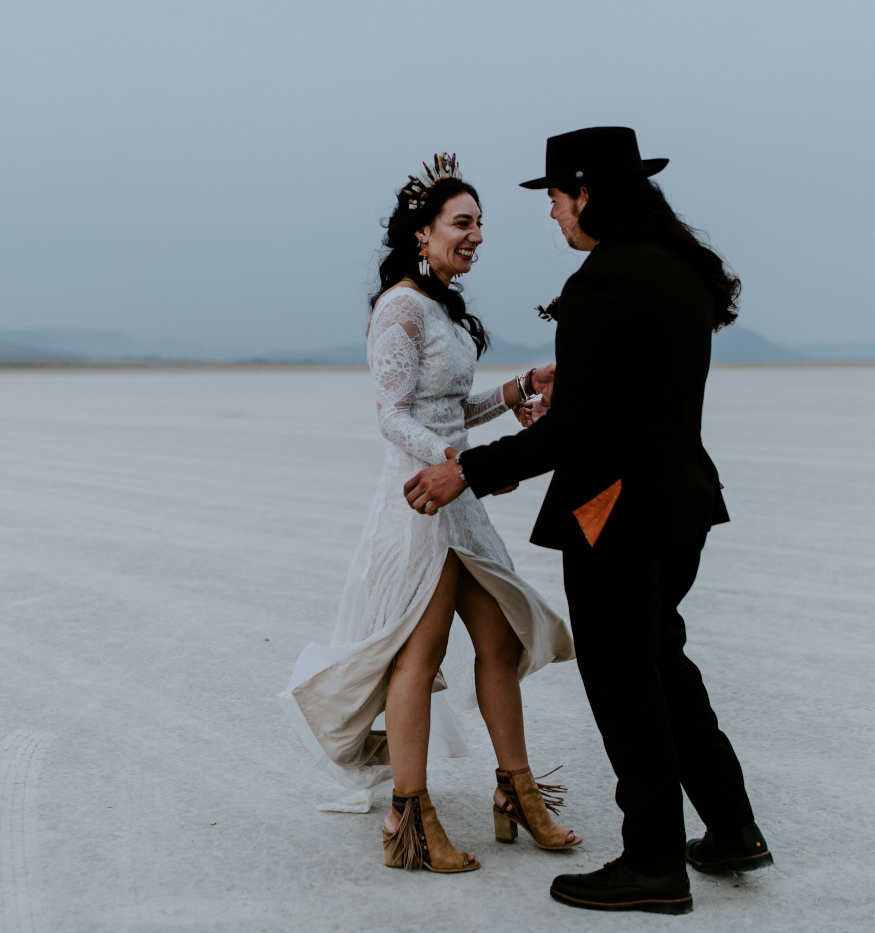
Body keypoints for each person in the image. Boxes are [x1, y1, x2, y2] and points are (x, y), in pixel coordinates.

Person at [404, 128, 772, 912]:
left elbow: (579, 430)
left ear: (589, 192)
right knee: (664, 665)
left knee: (626, 681)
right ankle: (733, 827)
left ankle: (653, 863)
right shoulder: (678, 270)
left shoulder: (606, 282)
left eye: (557, 198)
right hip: (682, 503)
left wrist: (467, 470)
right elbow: (625, 402)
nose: (552, 214)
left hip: (617, 514)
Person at [281, 154, 579, 874]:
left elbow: (447, 405)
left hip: (455, 490)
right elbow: (393, 416)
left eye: (481, 224)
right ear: (423, 231)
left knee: (499, 642)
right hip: (420, 498)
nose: (476, 236)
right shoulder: (401, 307)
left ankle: (517, 791)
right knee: (418, 656)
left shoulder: (443, 305)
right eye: (462, 223)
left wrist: (517, 389)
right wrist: (454, 461)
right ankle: (407, 820)